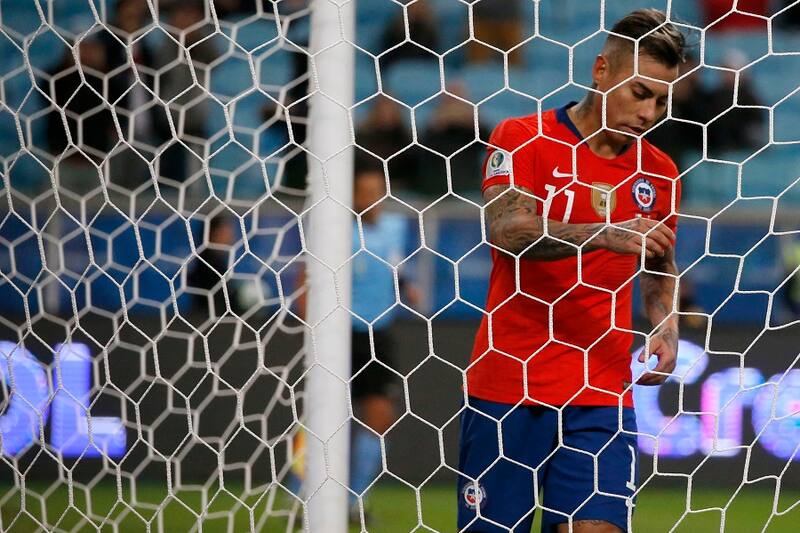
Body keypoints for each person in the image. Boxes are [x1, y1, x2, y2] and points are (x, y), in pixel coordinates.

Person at [459, 9, 684, 533]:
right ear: (601, 70)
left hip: (601, 388)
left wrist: (665, 328)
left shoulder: (660, 171)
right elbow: (507, 230)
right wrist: (602, 233)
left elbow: (660, 265)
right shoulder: (521, 138)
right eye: (641, 93)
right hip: (509, 381)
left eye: (663, 100)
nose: (650, 112)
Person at [296, 162, 418, 521]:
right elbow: (305, 275)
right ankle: (300, 490)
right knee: (324, 417)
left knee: (379, 416)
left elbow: (397, 266)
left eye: (376, 190)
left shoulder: (396, 227)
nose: (371, 198)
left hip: (378, 333)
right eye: (364, 191)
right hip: (337, 332)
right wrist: (310, 322)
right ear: (351, 195)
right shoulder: (336, 230)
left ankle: (355, 500)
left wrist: (407, 285)